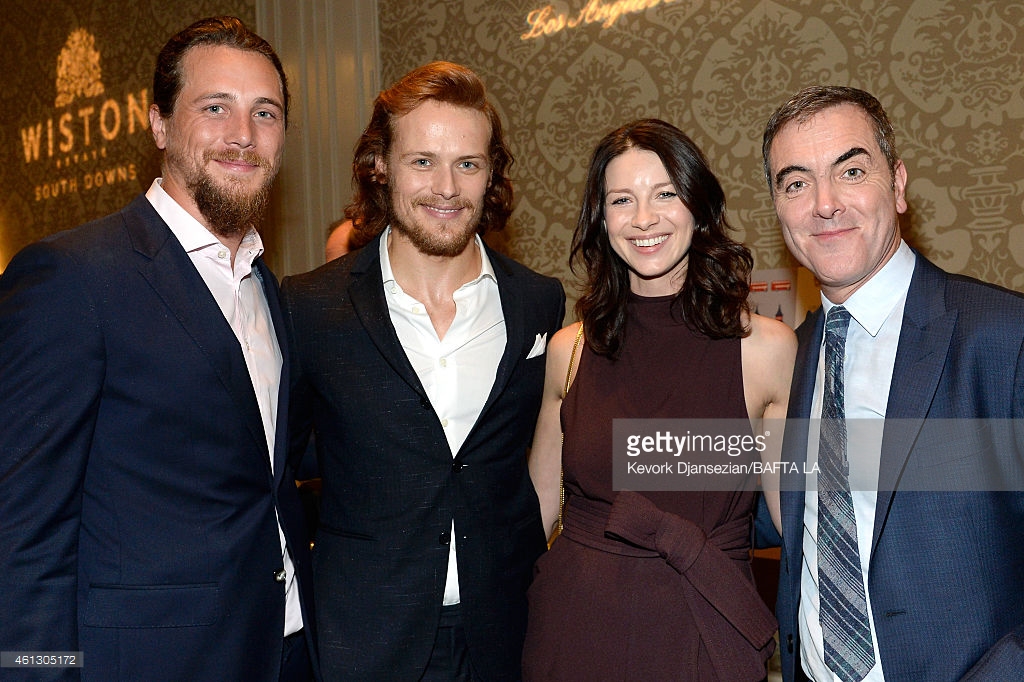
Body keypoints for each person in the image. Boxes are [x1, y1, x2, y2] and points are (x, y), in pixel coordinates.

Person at [0, 17, 317, 682]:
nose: (243, 135)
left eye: (266, 113)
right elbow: (20, 536)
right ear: (158, 125)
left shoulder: (266, 284)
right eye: (214, 108)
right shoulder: (74, 278)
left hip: (284, 650)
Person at [281, 61, 565, 681]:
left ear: (492, 174)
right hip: (362, 637)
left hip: (507, 634)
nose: (447, 188)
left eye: (468, 163)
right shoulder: (310, 305)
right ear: (379, 165)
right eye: (422, 162)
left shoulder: (538, 303)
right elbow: (277, 473)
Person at [760, 85, 1024, 681]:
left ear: (898, 185)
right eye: (796, 183)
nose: (824, 204)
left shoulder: (1005, 338)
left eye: (851, 171)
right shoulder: (786, 365)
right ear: (778, 208)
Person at [523, 118, 796, 681]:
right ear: (602, 220)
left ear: (698, 208)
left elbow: (797, 525)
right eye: (622, 199)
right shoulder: (567, 351)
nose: (643, 218)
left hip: (703, 627)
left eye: (665, 193)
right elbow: (534, 515)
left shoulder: (764, 350)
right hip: (575, 630)